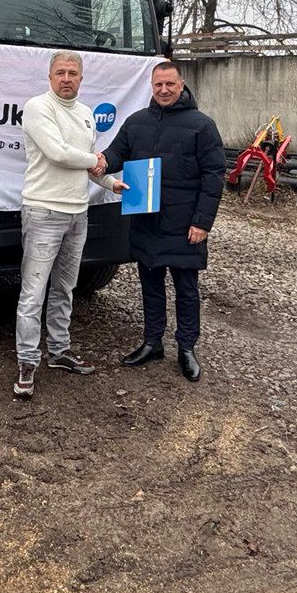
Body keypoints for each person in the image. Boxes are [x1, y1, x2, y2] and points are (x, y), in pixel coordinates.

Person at [95, 61, 225, 382]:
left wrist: (202, 222)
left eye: (170, 84)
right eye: (158, 86)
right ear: (151, 88)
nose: (164, 90)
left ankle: (186, 348)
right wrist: (102, 162)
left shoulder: (201, 125)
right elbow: (117, 152)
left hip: (185, 225)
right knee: (150, 287)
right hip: (147, 222)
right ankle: (152, 343)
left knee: (186, 289)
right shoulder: (137, 122)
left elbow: (214, 176)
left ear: (182, 85)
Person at [15, 51, 126, 400]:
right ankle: (27, 362)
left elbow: (87, 166)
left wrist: (109, 183)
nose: (67, 78)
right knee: (33, 294)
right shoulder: (37, 107)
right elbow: (58, 153)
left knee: (66, 288)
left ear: (81, 78)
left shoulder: (86, 114)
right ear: (50, 77)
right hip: (44, 213)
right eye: (60, 72)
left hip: (78, 215)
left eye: (73, 73)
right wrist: (97, 161)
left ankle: (59, 352)